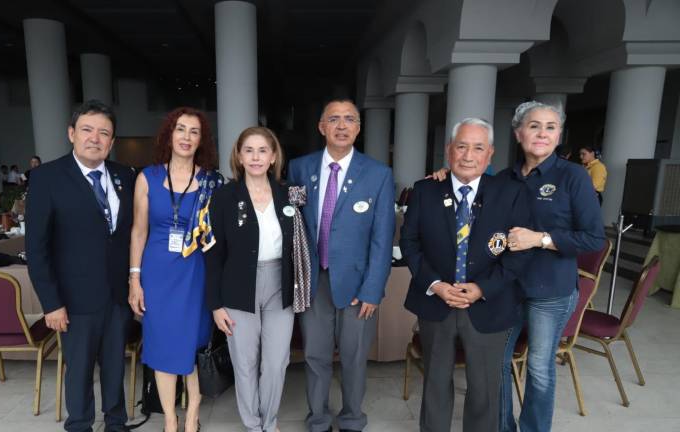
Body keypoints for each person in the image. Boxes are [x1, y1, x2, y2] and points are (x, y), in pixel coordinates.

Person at [400, 118, 532, 432]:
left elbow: (519, 252)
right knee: (435, 381)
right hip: (436, 303)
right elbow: (409, 242)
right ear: (449, 150)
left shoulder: (511, 192)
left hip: (489, 303)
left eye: (478, 148)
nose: (468, 156)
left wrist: (481, 288)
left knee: (485, 388)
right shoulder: (425, 190)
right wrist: (435, 284)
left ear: (490, 155)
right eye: (461, 146)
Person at [26, 100, 135, 432]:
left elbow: (131, 235)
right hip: (73, 300)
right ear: (72, 133)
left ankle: (116, 423)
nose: (95, 138)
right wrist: (51, 303)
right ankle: (79, 425)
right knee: (80, 370)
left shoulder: (125, 176)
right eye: (87, 130)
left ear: (112, 141)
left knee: (116, 367)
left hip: (117, 296)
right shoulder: (47, 177)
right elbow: (37, 248)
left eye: (104, 133)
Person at [287, 99, 395, 432]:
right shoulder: (299, 168)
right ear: (322, 127)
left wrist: (373, 290)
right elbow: (293, 223)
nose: (342, 125)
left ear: (359, 128)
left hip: (358, 284)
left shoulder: (379, 174)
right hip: (312, 280)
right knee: (315, 357)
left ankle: (351, 418)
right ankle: (318, 419)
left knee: (353, 358)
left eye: (350, 119)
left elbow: (382, 238)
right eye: (333, 119)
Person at [500, 101, 605, 432]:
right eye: (533, 126)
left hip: (551, 290)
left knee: (539, 367)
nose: (541, 133)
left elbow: (593, 239)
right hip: (506, 287)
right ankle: (502, 427)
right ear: (519, 133)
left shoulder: (573, 176)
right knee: (496, 362)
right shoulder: (505, 179)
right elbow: (491, 235)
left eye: (550, 127)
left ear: (559, 135)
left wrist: (541, 239)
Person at [128, 107, 223, 432]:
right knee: (161, 341)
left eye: (194, 131)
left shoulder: (212, 181)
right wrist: (135, 278)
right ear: (169, 134)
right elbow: (139, 231)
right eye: (180, 129)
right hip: (157, 273)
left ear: (202, 140)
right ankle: (171, 417)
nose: (186, 137)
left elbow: (219, 236)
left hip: (195, 272)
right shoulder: (147, 177)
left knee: (190, 341)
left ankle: (193, 405)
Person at [206, 127, 295, 432]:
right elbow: (213, 254)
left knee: (276, 362)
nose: (256, 157)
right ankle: (253, 425)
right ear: (239, 156)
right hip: (237, 286)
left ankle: (269, 422)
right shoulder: (224, 196)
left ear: (273, 157)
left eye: (262, 151)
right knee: (244, 363)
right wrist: (215, 305)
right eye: (249, 150)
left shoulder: (289, 193)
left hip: (280, 284)